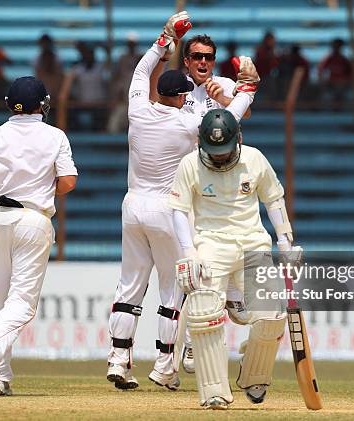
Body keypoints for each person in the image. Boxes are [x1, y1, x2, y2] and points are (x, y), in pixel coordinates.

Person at [106, 11, 258, 392]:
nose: (204, 63)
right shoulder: (187, 123)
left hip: (132, 205)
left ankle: (119, 359)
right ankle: (164, 365)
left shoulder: (137, 107)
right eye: (196, 58)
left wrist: (163, 41)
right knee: (174, 291)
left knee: (129, 288)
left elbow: (141, 72)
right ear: (182, 92)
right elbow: (227, 122)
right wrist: (249, 87)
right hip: (170, 208)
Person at [169, 109, 291, 409]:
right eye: (214, 151)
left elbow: (273, 198)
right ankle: (214, 391)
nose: (220, 157)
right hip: (211, 245)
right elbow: (179, 210)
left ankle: (254, 374)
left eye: (224, 151)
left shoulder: (254, 158)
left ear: (239, 139)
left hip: (253, 244)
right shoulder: (190, 165)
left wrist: (285, 238)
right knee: (204, 312)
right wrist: (188, 251)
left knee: (272, 314)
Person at [0, 76, 78, 396]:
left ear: (8, 104)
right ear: (43, 104)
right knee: (23, 303)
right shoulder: (55, 135)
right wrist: (45, 191)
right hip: (34, 218)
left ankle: (1, 378)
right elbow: (68, 181)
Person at [151, 33, 253, 374]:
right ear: (187, 60)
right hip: (190, 187)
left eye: (208, 56)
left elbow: (244, 112)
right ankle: (194, 343)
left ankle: (235, 292)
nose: (203, 63)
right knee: (202, 264)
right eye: (197, 57)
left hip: (224, 182)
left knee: (239, 239)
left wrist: (225, 97)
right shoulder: (178, 89)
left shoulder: (222, 83)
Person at [108, 32, 142, 133]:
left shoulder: (141, 58)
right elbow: (117, 78)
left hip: (138, 101)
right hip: (124, 100)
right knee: (114, 125)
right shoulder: (122, 59)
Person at [318, 38, 353, 103]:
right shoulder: (329, 59)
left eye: (338, 47)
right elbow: (320, 69)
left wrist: (345, 81)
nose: (336, 49)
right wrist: (323, 80)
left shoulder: (344, 60)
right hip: (331, 84)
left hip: (342, 84)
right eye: (334, 47)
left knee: (340, 91)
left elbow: (351, 74)